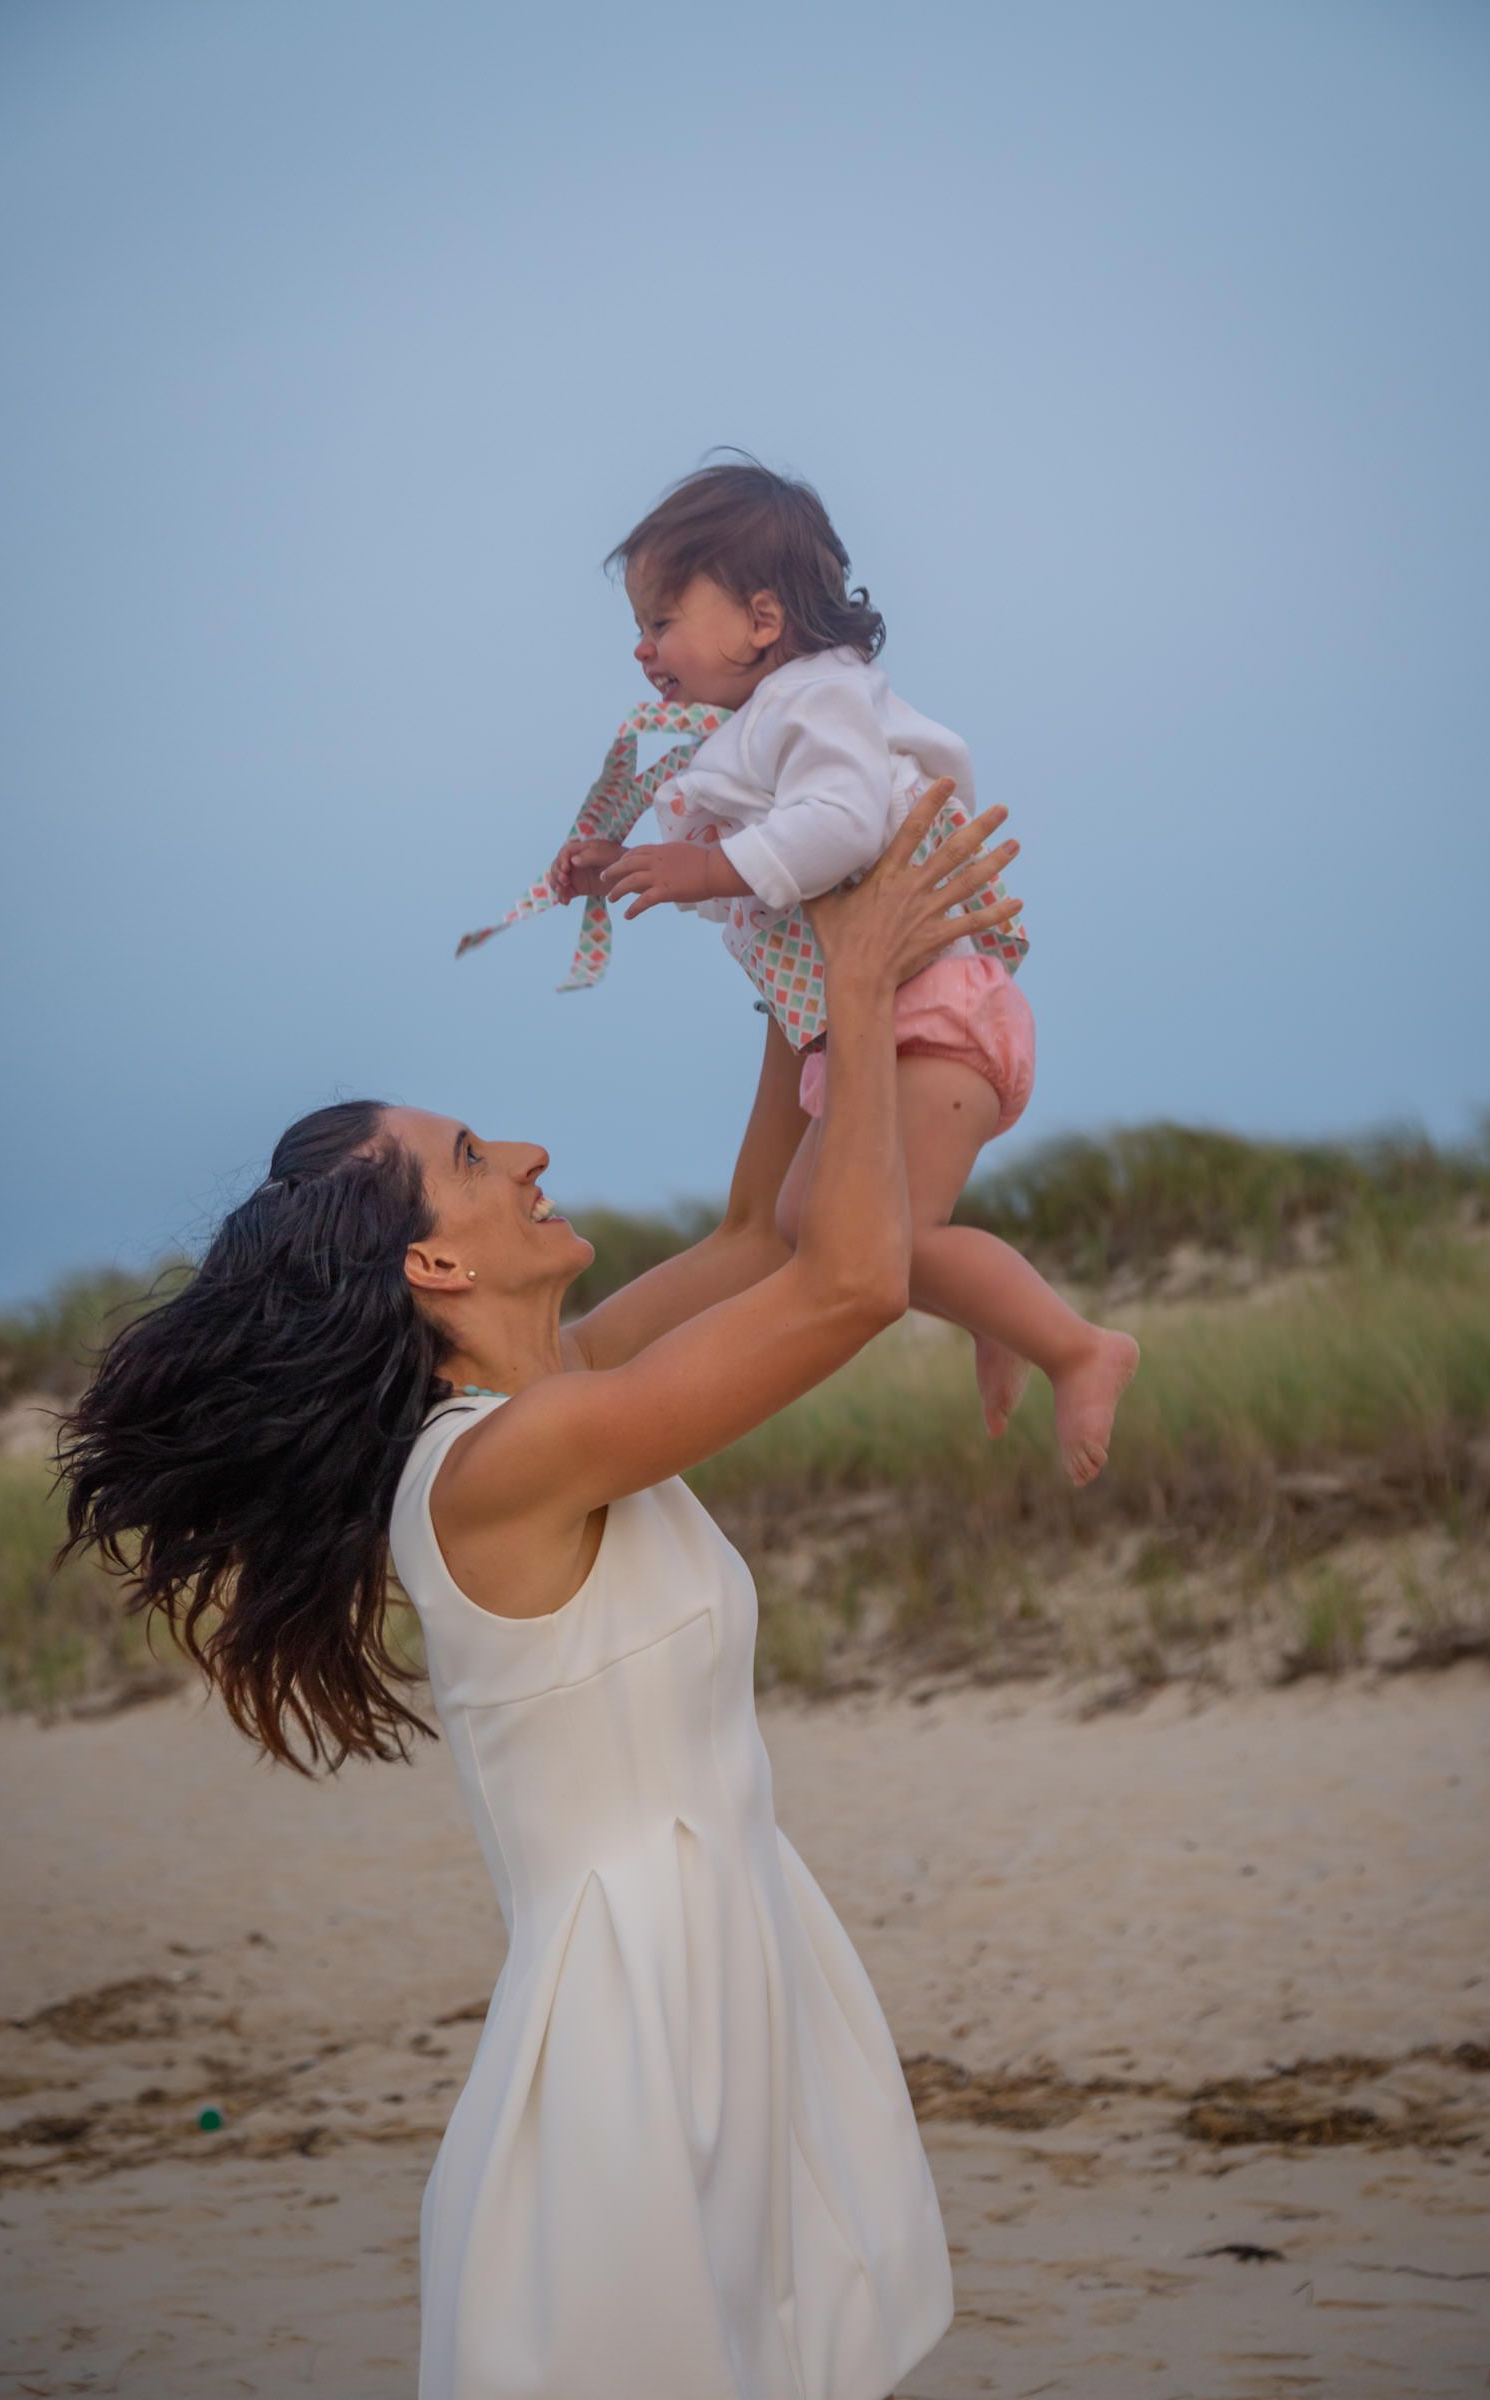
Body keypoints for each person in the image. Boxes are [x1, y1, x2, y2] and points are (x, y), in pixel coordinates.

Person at [56, 783, 1023, 2400]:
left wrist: (796, 959)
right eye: (474, 1157)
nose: (531, 1154)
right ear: (432, 1266)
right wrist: (860, 984)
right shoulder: (496, 1470)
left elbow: (755, 1239)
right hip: (630, 2038)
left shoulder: (566, 1394)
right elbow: (851, 1285)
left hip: (733, 1968)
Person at [547, 455, 1138, 1484]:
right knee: (819, 1228)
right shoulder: (762, 723)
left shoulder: (817, 699)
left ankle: (1077, 1345)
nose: (644, 650)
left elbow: (839, 826)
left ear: (762, 617)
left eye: (661, 619)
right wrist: (618, 865)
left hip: (931, 1007)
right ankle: (989, 1308)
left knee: (853, 1238)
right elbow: (755, 869)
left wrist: (704, 866)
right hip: (884, 1013)